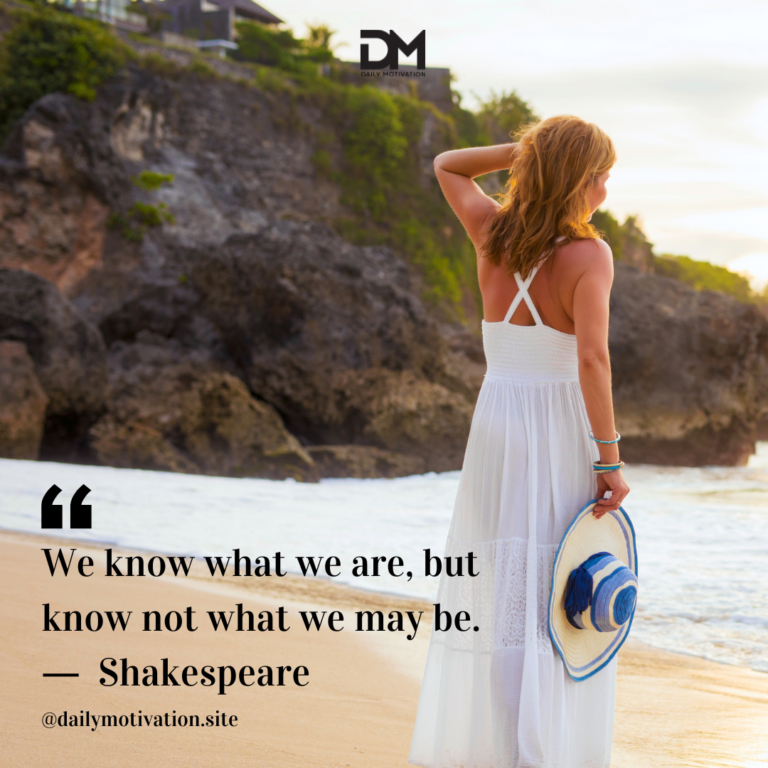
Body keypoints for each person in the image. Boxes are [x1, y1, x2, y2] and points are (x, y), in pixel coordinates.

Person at [408, 115, 631, 768]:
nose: (605, 190)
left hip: (498, 422)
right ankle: (544, 750)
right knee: (558, 589)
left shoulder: (491, 232)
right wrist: (610, 458)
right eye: (600, 176)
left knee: (508, 587)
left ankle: (508, 744)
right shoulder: (589, 256)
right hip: (557, 424)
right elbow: (592, 360)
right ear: (577, 179)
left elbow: (448, 163)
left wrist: (529, 150)